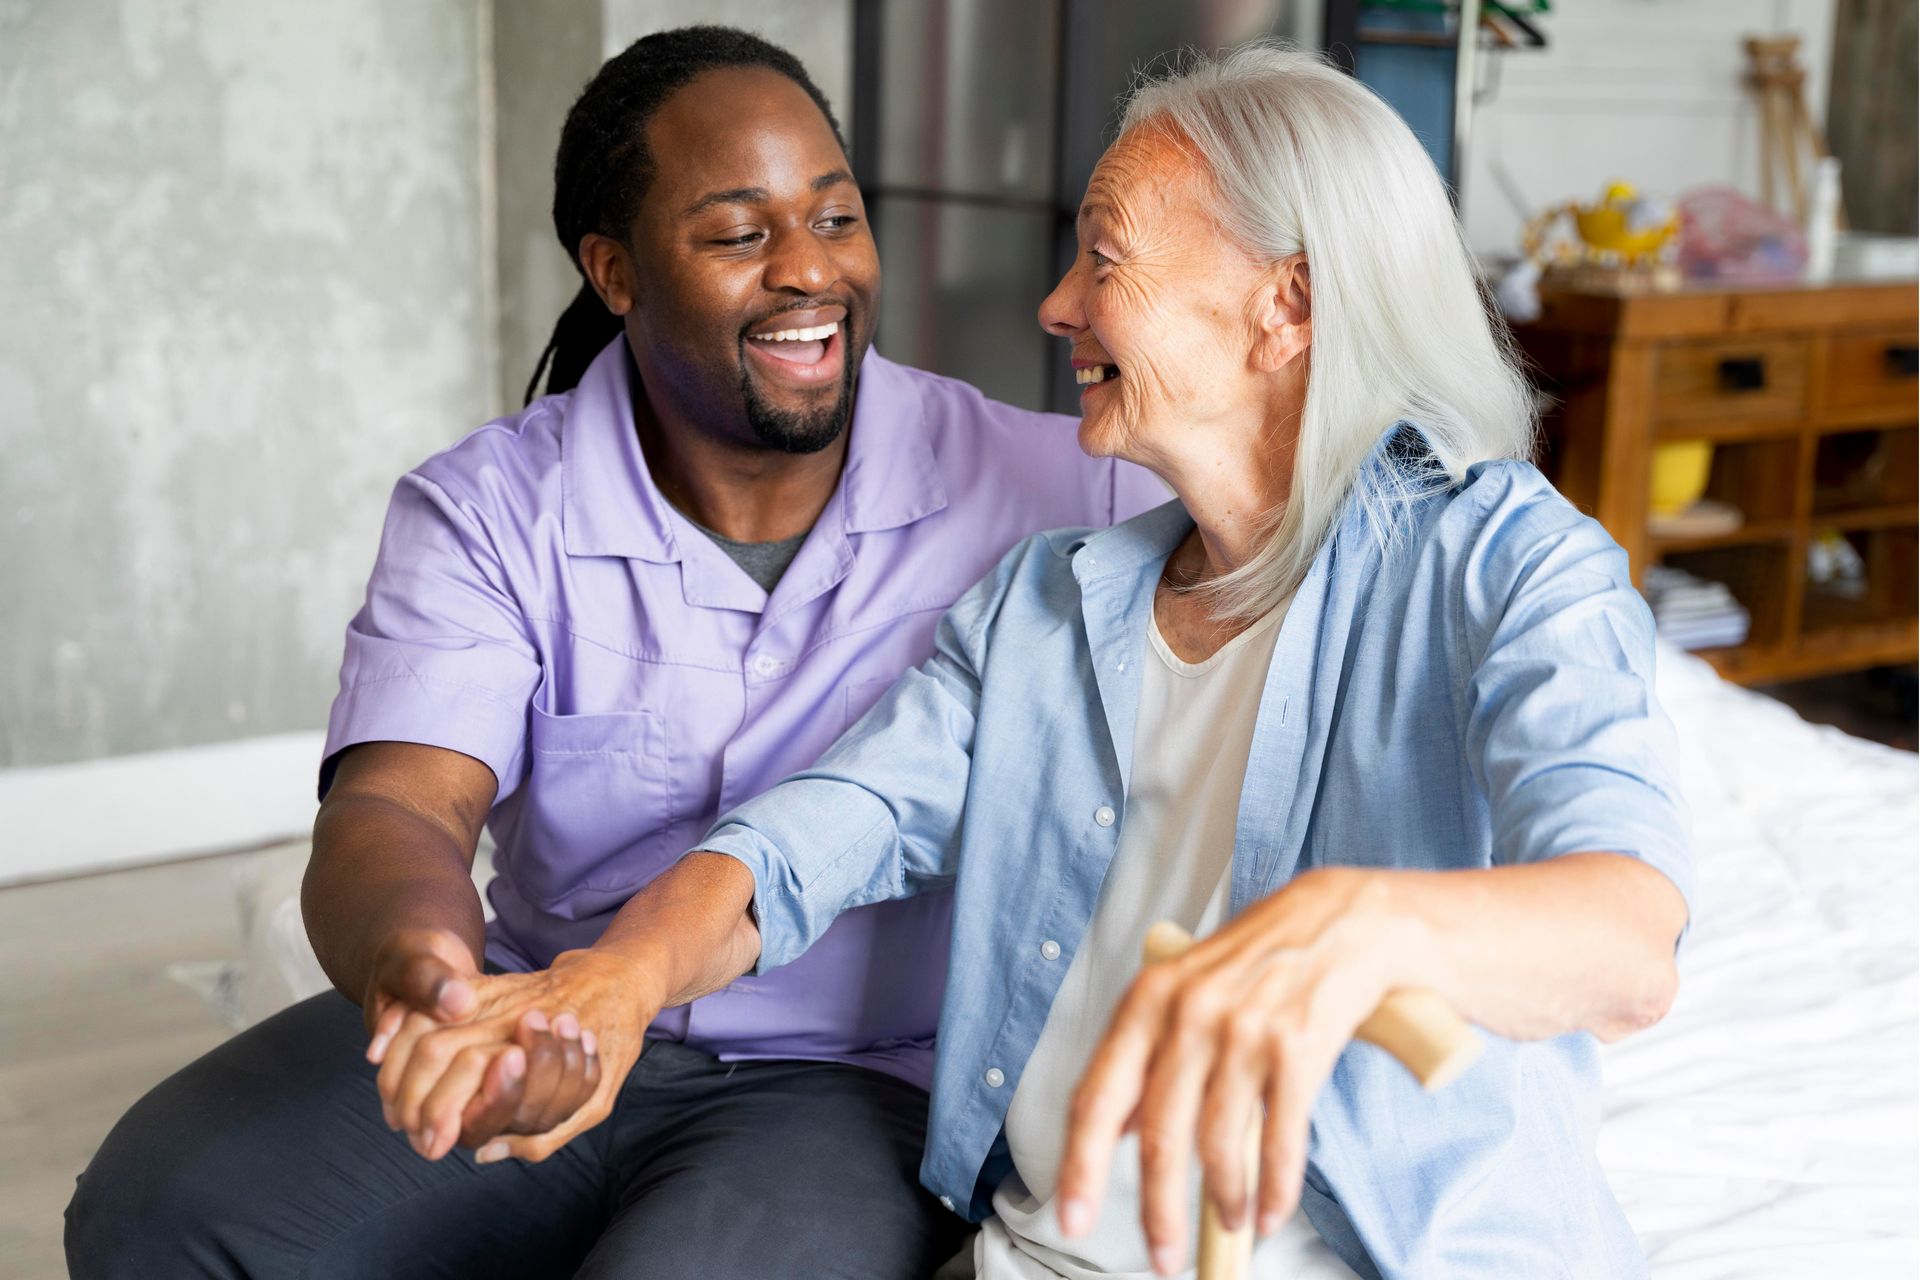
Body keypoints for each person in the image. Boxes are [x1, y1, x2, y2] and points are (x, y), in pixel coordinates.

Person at [371, 42, 1694, 1279]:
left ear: (1283, 304)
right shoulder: (1051, 602)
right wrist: (620, 976)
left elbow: (1630, 943)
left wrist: (1355, 929)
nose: (1058, 305)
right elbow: (823, 831)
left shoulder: (1505, 563)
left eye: (1104, 260)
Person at [65, 26, 1163, 1280]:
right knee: (164, 1208)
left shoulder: (1060, 488)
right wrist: (430, 982)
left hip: (851, 1083)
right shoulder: (488, 508)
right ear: (616, 271)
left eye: (837, 217)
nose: (810, 270)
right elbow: (398, 806)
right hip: (540, 1009)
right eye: (741, 234)